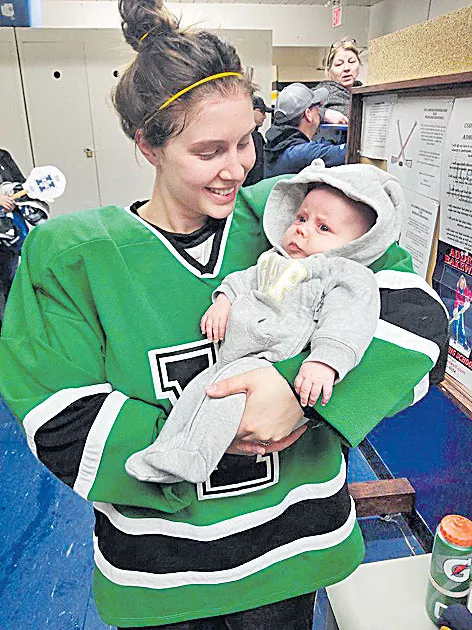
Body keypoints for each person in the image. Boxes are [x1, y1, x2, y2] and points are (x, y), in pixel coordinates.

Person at [0, 0, 449, 626]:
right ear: (148, 145)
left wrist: (303, 394)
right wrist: (214, 438)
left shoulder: (289, 218)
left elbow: (416, 315)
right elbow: (57, 420)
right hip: (162, 579)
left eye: (246, 142)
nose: (236, 168)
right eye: (209, 150)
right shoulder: (73, 258)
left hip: (292, 557)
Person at [126, 162, 402, 485]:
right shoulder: (274, 260)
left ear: (356, 245)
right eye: (301, 218)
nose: (302, 229)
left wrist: (325, 362)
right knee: (196, 392)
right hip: (234, 353)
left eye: (323, 228)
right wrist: (224, 300)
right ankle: (165, 449)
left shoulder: (343, 274)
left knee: (221, 401)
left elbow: (348, 321)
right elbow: (244, 281)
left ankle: (195, 458)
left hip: (269, 360)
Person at [0, 149, 48, 326]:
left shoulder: (2, 156)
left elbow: (23, 186)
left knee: (10, 288)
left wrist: (21, 196)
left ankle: (12, 339)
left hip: (8, 239)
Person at [264, 82, 346, 178]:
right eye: (318, 106)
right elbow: (346, 153)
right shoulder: (300, 153)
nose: (320, 111)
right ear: (308, 114)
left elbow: (319, 146)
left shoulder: (278, 145)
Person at [316, 38, 363, 125]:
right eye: (339, 64)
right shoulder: (324, 92)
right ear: (330, 70)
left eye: (351, 62)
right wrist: (323, 114)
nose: (346, 68)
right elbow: (292, 112)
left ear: (359, 64)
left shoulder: (365, 94)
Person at [243, 96, 271, 187]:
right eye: (262, 112)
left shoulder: (244, 134)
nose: (265, 116)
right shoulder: (255, 137)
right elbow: (257, 171)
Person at [451, 274, 471, 352]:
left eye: (463, 283)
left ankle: (463, 343)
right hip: (457, 307)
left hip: (462, 308)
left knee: (461, 326)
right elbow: (456, 300)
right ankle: (455, 338)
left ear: (464, 283)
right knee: (455, 324)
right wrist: (455, 309)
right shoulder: (457, 290)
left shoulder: (466, 291)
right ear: (459, 283)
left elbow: (469, 297)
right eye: (460, 283)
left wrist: (466, 305)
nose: (461, 285)